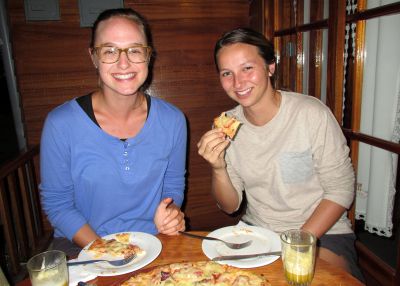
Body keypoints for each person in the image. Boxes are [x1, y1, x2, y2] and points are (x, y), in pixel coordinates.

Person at [197, 27, 363, 281]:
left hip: (322, 232)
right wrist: (218, 168)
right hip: (258, 232)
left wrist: (295, 243)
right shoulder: (226, 126)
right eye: (227, 73)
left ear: (270, 67)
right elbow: (230, 206)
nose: (238, 83)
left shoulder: (310, 114)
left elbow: (341, 189)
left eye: (247, 68)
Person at [40, 8, 187, 256]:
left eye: (135, 50)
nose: (123, 62)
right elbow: (58, 204)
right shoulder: (60, 123)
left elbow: (173, 185)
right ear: (93, 57)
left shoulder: (173, 120)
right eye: (109, 51)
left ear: (148, 56)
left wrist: (171, 213)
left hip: (154, 242)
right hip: (83, 245)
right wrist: (106, 251)